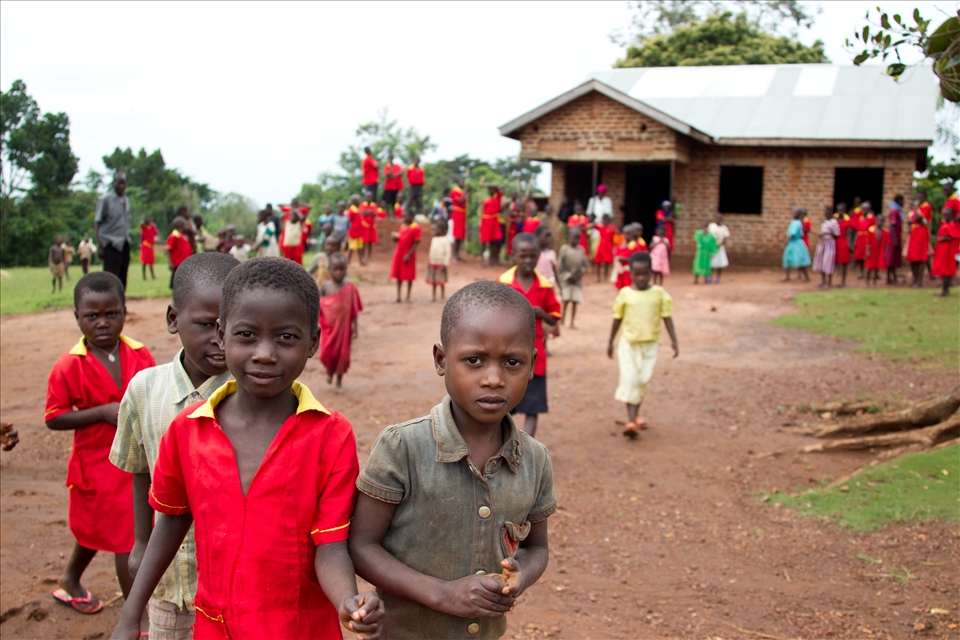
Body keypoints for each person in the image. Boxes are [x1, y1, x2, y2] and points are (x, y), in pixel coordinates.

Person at [111, 258, 384, 640]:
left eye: (286, 337)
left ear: (314, 342)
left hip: (300, 628)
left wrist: (347, 600)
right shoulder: (187, 431)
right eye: (247, 335)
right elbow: (171, 520)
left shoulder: (330, 435)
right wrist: (130, 615)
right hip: (216, 627)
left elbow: (331, 544)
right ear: (222, 335)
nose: (265, 354)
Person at [349, 280, 556, 639]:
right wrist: (440, 594)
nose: (494, 379)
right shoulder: (403, 447)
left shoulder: (534, 460)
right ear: (441, 360)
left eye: (512, 362)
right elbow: (362, 545)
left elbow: (537, 547)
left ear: (533, 364)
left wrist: (520, 575)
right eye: (473, 360)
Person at [110, 253, 239, 638]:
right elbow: (141, 470)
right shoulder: (145, 390)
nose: (220, 338)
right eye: (206, 325)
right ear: (173, 319)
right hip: (168, 582)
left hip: (233, 581)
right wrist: (140, 540)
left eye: (232, 326)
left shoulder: (255, 398)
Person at [46, 272, 156, 615]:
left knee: (107, 531)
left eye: (112, 313)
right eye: (92, 316)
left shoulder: (140, 354)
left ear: (125, 311)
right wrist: (101, 412)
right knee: (126, 538)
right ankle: (135, 618)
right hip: (95, 467)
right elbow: (54, 417)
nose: (103, 323)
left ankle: (69, 579)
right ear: (77, 317)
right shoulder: (68, 365)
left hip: (135, 464)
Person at [607, 252, 678, 437]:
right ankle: (631, 421)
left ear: (651, 272)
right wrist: (610, 342)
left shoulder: (659, 294)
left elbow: (667, 317)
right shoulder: (625, 294)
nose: (641, 278)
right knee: (630, 378)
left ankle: (636, 415)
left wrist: (674, 341)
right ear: (630, 273)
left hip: (650, 344)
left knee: (642, 379)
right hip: (628, 344)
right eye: (637, 274)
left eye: (645, 273)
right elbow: (617, 319)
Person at [498, 233, 562, 437]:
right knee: (503, 402)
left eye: (532, 256)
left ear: (538, 256)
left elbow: (554, 317)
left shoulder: (544, 286)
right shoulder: (503, 283)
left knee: (533, 405)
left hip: (535, 354)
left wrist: (541, 313)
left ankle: (525, 449)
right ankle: (501, 443)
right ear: (513, 255)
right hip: (505, 353)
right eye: (522, 256)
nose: (527, 261)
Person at [318, 253, 363, 389]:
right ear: (329, 269)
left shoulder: (350, 288)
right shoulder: (325, 287)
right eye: (335, 269)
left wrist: (355, 327)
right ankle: (329, 372)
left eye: (342, 269)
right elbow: (317, 307)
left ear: (346, 269)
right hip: (328, 328)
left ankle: (339, 379)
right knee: (327, 352)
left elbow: (354, 309)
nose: (339, 272)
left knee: (342, 354)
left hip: (344, 329)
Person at [95, 172, 132, 288]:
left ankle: (120, 304)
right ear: (113, 183)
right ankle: (108, 304)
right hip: (111, 243)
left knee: (122, 278)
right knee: (110, 278)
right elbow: (97, 222)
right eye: (119, 183)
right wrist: (101, 245)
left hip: (124, 243)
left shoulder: (126, 200)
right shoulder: (105, 199)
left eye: (123, 183)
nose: (121, 186)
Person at [558, 227, 588, 329]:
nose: (576, 240)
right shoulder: (564, 249)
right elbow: (561, 265)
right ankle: (562, 319)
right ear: (569, 237)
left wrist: (578, 276)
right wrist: (568, 277)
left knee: (575, 301)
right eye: (574, 237)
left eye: (578, 238)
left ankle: (572, 322)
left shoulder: (581, 250)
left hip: (577, 281)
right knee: (566, 300)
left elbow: (584, 265)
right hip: (567, 281)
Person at [391, 208, 421, 302]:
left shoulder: (416, 227)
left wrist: (409, 254)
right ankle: (398, 296)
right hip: (399, 253)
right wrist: (395, 238)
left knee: (409, 276)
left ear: (411, 216)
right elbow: (400, 239)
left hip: (408, 255)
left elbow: (416, 242)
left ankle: (408, 296)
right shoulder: (402, 226)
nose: (403, 217)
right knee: (399, 275)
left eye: (405, 215)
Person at [931, 205, 960, 297]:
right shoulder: (945, 224)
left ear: (952, 215)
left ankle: (945, 290)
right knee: (943, 269)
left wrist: (945, 238)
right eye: (944, 215)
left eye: (947, 215)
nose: (945, 217)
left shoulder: (952, 225)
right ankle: (944, 289)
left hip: (948, 251)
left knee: (946, 270)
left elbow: (956, 236)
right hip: (942, 250)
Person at [813, 205, 841, 288]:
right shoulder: (824, 222)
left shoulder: (833, 222)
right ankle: (823, 281)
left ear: (831, 214)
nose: (826, 215)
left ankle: (829, 282)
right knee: (821, 261)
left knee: (828, 262)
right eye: (825, 213)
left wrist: (826, 234)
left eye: (828, 214)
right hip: (822, 243)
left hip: (830, 244)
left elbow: (837, 233)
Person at [906, 196, 931, 287]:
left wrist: (916, 207)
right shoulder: (913, 211)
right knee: (912, 258)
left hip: (921, 234)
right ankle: (914, 279)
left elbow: (918, 219)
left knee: (921, 257)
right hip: (914, 234)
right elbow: (910, 221)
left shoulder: (925, 207)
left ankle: (919, 281)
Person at [426, 218, 452, 302]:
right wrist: (429, 261)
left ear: (443, 231)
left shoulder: (445, 240)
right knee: (434, 281)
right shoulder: (434, 239)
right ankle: (433, 296)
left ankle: (442, 294)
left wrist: (445, 263)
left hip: (441, 263)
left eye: (437, 229)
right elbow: (431, 251)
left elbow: (448, 252)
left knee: (441, 280)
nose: (435, 231)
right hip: (433, 262)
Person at [613, 224, 646, 289]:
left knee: (629, 288)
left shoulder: (635, 245)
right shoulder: (620, 244)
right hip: (620, 271)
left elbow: (638, 258)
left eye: (628, 234)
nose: (625, 236)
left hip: (629, 271)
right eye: (624, 234)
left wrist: (625, 259)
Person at [783, 208, 812, 282]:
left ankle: (806, 276)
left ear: (799, 214)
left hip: (796, 243)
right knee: (787, 258)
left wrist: (785, 244)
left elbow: (792, 235)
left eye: (795, 213)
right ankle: (787, 276)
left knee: (800, 260)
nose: (793, 214)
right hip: (793, 243)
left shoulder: (797, 223)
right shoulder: (795, 222)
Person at [165, 218, 193, 289]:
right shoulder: (174, 236)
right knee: (175, 283)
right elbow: (168, 249)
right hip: (178, 263)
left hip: (185, 263)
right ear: (180, 225)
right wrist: (170, 263)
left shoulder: (182, 235)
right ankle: (174, 299)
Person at [480, 186, 503, 266]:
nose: (490, 191)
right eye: (489, 189)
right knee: (483, 240)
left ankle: (491, 260)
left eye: (492, 189)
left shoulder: (497, 199)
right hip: (486, 221)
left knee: (493, 241)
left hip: (494, 221)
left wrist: (497, 188)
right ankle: (481, 259)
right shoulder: (486, 200)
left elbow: (500, 192)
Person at [853, 202, 877, 279]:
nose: (864, 210)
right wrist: (855, 240)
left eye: (866, 209)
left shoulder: (872, 218)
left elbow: (875, 229)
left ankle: (872, 272)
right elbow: (857, 230)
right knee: (860, 256)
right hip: (860, 238)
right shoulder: (860, 218)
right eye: (863, 209)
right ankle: (861, 272)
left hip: (869, 238)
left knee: (869, 255)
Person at [865, 213, 889, 287]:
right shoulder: (871, 229)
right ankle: (867, 282)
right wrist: (867, 251)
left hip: (879, 251)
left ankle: (874, 282)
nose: (880, 222)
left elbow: (886, 244)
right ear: (876, 221)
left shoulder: (885, 231)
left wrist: (885, 253)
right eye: (879, 220)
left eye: (882, 221)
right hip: (872, 251)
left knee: (876, 268)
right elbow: (868, 242)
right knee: (869, 267)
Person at [707, 213, 730, 283]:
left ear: (722, 219)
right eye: (716, 218)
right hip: (712, 248)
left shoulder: (724, 228)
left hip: (720, 248)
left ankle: (718, 277)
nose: (718, 220)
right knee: (711, 263)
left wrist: (720, 244)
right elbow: (708, 236)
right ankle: (709, 276)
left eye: (720, 218)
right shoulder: (711, 226)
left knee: (720, 263)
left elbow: (725, 238)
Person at [886, 195, 905, 284]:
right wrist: (895, 240)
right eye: (902, 201)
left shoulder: (897, 210)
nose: (903, 203)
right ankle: (890, 278)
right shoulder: (894, 210)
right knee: (891, 258)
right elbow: (893, 225)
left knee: (893, 258)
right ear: (899, 200)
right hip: (894, 237)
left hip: (895, 236)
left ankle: (892, 278)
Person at [833, 203, 852, 287]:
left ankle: (843, 281)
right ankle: (832, 281)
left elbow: (853, 229)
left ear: (845, 211)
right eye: (838, 210)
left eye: (842, 210)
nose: (840, 211)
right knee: (833, 260)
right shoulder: (834, 218)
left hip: (843, 241)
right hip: (835, 242)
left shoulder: (847, 219)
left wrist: (851, 241)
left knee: (845, 262)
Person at [592, 214, 616, 282]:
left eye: (606, 220)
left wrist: (614, 232)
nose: (605, 221)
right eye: (603, 220)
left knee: (607, 263)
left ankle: (606, 277)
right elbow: (593, 225)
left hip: (608, 247)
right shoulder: (601, 227)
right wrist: (596, 219)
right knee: (598, 262)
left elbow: (618, 233)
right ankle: (598, 278)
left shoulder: (612, 227)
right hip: (601, 246)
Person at [692, 220, 717, 284]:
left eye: (705, 226)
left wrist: (713, 252)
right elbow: (697, 240)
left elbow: (713, 244)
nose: (704, 227)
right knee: (697, 264)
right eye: (703, 225)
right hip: (700, 253)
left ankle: (706, 279)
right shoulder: (698, 233)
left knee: (706, 265)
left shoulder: (711, 236)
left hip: (707, 253)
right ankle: (695, 279)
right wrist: (702, 234)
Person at [360, 191, 379, 263]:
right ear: (365, 197)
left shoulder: (374, 205)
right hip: (364, 226)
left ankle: (369, 256)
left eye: (370, 197)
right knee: (364, 242)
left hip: (372, 227)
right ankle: (362, 256)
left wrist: (368, 212)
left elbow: (375, 214)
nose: (369, 198)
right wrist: (370, 212)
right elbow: (362, 213)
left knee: (370, 242)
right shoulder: (362, 204)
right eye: (367, 196)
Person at [346, 195, 365, 265]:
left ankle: (361, 261)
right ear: (354, 201)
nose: (360, 201)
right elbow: (349, 220)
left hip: (359, 232)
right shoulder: (351, 210)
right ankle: (348, 261)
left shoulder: (357, 209)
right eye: (358, 200)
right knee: (351, 248)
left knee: (360, 247)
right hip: (353, 232)